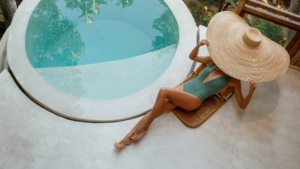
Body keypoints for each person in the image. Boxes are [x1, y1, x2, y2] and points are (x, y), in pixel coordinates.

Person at [114, 11, 290, 148]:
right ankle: (126, 138)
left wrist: (251, 91)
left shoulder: (234, 81)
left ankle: (144, 128)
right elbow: (193, 57)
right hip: (187, 88)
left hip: (194, 100)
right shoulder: (215, 61)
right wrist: (199, 45)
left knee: (163, 92)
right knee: (155, 110)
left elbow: (242, 105)